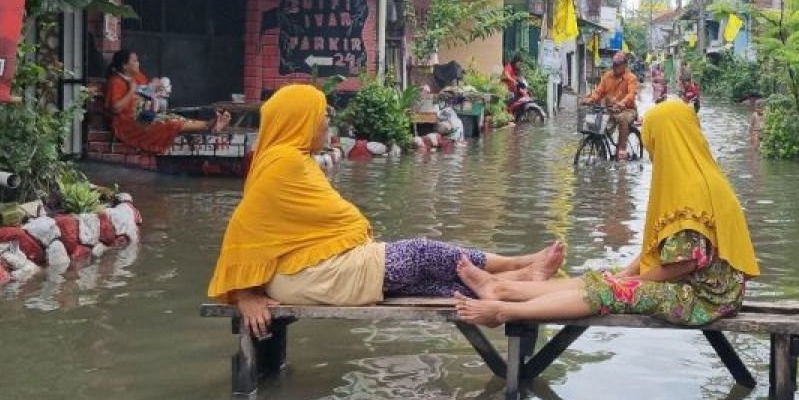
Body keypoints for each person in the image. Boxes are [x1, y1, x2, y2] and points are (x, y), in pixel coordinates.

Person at [207, 84, 565, 339]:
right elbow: (243, 228)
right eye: (320, 117)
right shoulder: (282, 163)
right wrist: (245, 294)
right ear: (298, 121)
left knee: (435, 284)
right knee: (422, 253)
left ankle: (517, 283)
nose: (325, 124)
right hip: (309, 273)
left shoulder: (287, 159)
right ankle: (518, 263)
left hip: (312, 267)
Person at [454, 100, 760, 327]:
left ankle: (505, 312)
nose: (651, 147)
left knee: (609, 289)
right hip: (707, 289)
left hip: (706, 300)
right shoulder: (699, 175)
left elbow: (683, 263)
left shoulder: (690, 188)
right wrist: (627, 272)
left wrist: (628, 282)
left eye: (653, 138)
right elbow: (667, 247)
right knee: (606, 276)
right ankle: (503, 288)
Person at [104, 49, 229, 154]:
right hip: (129, 123)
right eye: (135, 61)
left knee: (174, 118)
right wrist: (131, 90)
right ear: (125, 65)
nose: (138, 63)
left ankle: (210, 125)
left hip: (147, 115)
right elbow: (116, 108)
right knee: (169, 123)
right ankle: (210, 126)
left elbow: (148, 94)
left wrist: (156, 90)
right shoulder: (116, 82)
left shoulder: (139, 76)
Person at [582, 50, 639, 160]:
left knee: (623, 119)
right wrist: (590, 99)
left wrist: (622, 103)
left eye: (618, 65)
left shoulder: (631, 78)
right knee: (597, 122)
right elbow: (599, 92)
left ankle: (622, 150)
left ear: (624, 65)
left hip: (628, 110)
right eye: (614, 64)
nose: (615, 67)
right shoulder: (607, 76)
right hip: (610, 109)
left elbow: (631, 94)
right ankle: (599, 148)